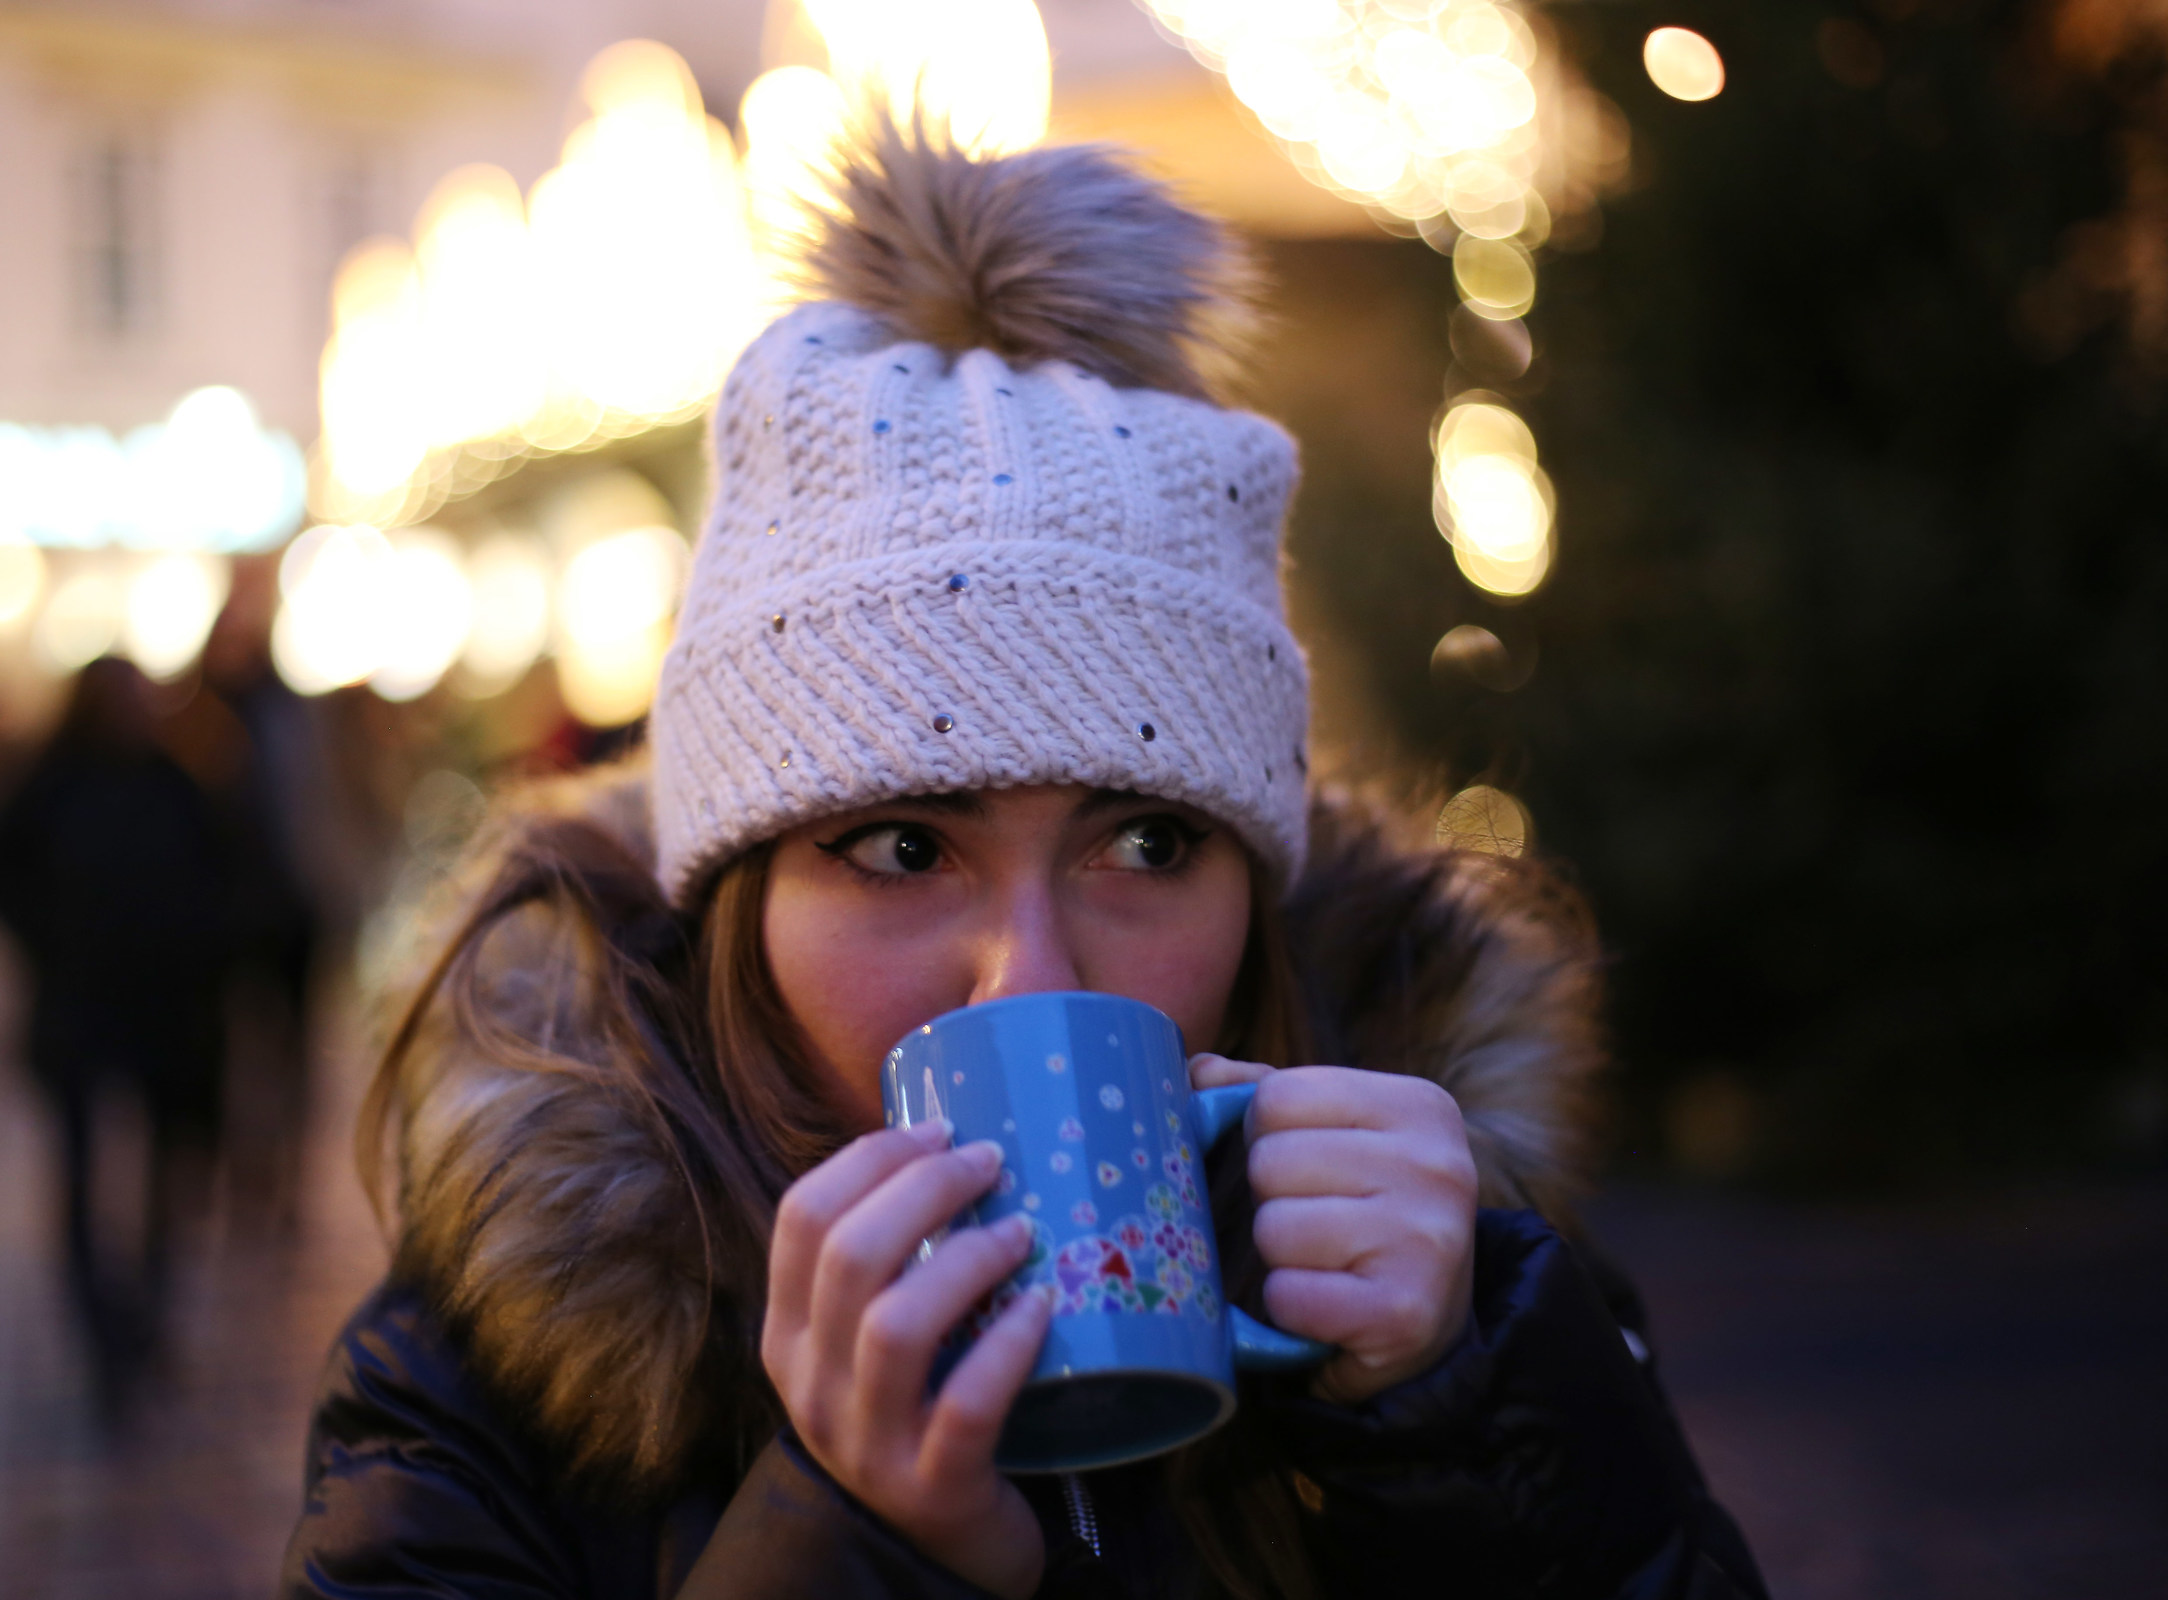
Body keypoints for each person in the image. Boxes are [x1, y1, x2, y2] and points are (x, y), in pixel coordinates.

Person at [283, 126, 1766, 1599]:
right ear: (740, 899)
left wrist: (1455, 1422)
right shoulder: (476, 1386)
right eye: (901, 846)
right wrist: (852, 1548)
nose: (1033, 976)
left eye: (1146, 841)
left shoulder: (1461, 1285)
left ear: (1256, 881)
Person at [0, 655, 234, 1416]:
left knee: (167, 1168)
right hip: (81, 1010)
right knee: (82, 1176)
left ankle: (146, 1312)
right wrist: (46, 941)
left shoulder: (174, 783)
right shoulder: (53, 785)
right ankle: (102, 1327)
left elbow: (226, 874)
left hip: (163, 1010)